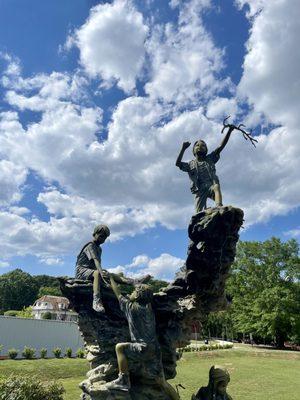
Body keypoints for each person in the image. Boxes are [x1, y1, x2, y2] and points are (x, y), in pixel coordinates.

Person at [105, 276, 179, 400]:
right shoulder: (149, 308)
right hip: (155, 350)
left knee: (119, 348)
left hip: (141, 348)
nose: (130, 293)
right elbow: (145, 293)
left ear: (138, 295)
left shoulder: (131, 308)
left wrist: (111, 278)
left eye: (133, 292)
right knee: (162, 381)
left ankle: (123, 379)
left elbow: (117, 293)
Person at [75, 224, 150, 312]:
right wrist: (101, 272)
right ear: (94, 234)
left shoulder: (99, 249)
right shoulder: (90, 246)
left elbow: (97, 264)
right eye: (101, 236)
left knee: (109, 274)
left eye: (104, 238)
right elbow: (96, 261)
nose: (102, 239)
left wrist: (103, 273)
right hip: (81, 271)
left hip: (91, 271)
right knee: (98, 273)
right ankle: (96, 301)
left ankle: (134, 282)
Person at [175, 125, 235, 213]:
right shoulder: (190, 164)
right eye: (197, 145)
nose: (200, 146)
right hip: (199, 189)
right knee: (198, 213)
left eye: (203, 145)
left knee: (216, 187)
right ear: (193, 151)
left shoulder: (210, 158)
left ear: (206, 150)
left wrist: (229, 131)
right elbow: (178, 163)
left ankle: (219, 206)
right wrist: (183, 149)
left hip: (210, 185)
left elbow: (221, 146)